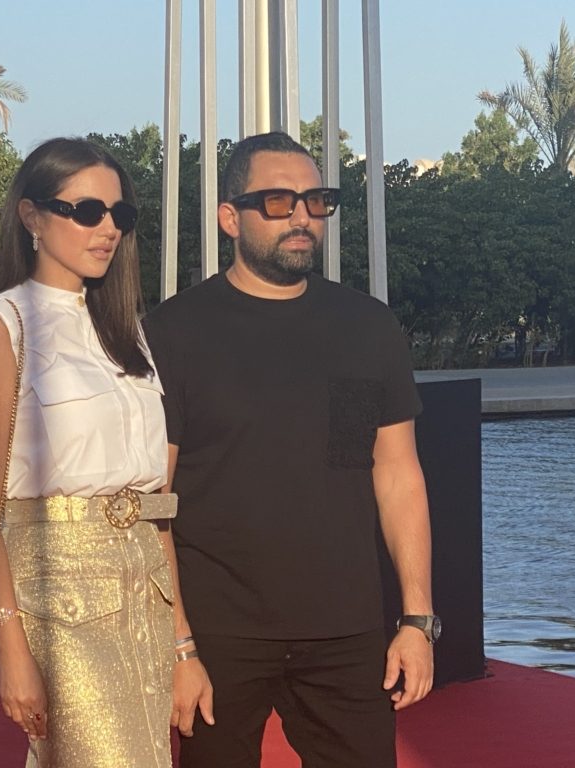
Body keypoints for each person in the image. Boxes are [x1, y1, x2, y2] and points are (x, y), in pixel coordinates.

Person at [143, 131, 437, 768]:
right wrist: (179, 646)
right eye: (278, 202)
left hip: (346, 629)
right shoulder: (173, 333)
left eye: (316, 201)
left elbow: (397, 475)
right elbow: (153, 500)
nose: (302, 216)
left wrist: (418, 621)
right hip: (220, 634)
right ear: (230, 218)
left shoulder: (368, 327)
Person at [0, 137, 207, 768]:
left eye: (121, 214)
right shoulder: (1, 326)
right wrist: (12, 651)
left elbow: (152, 505)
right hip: (59, 596)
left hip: (144, 594)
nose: (108, 228)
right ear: (32, 217)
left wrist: (183, 646)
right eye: (88, 211)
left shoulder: (126, 333)